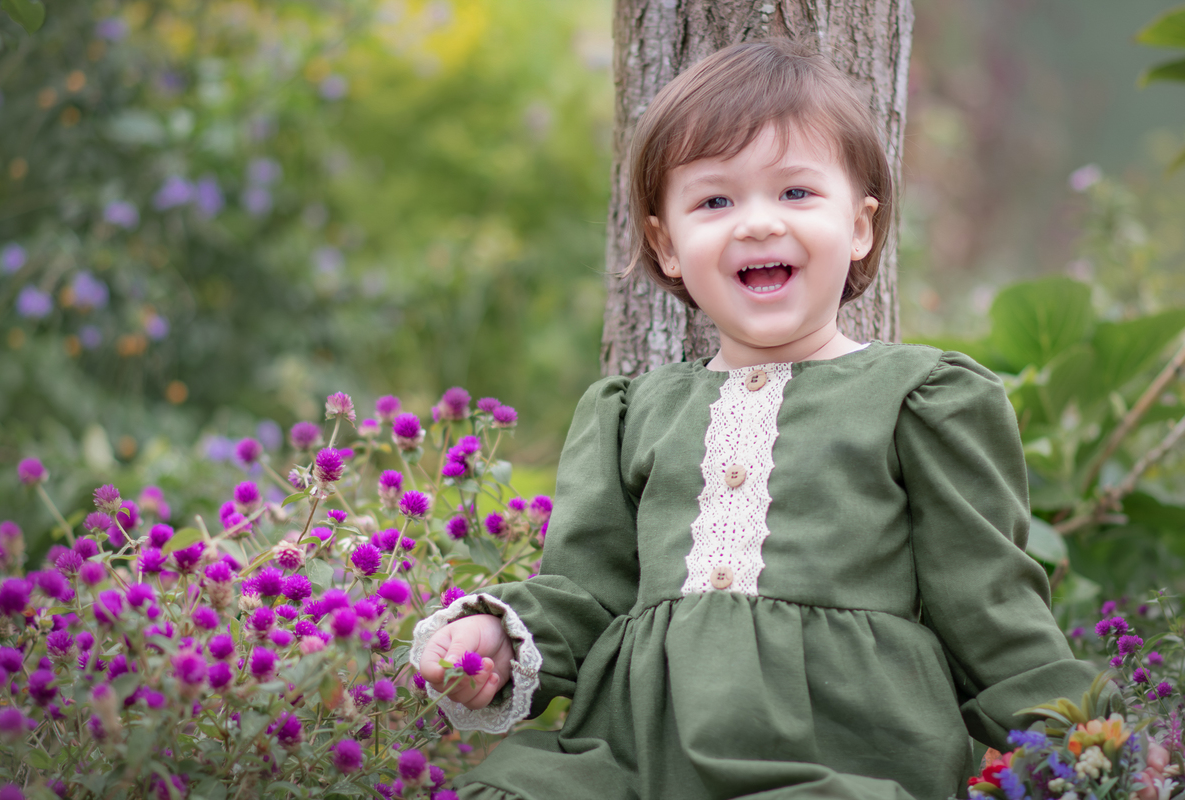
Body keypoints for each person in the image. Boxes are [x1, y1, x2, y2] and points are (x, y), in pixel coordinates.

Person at [412, 39, 1101, 800]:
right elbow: (584, 595)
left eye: (797, 193)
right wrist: (498, 639)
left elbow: (990, 609)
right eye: (715, 200)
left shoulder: (920, 397)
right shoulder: (628, 413)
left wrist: (1098, 755)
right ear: (667, 245)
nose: (757, 224)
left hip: (843, 754)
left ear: (863, 227)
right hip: (636, 756)